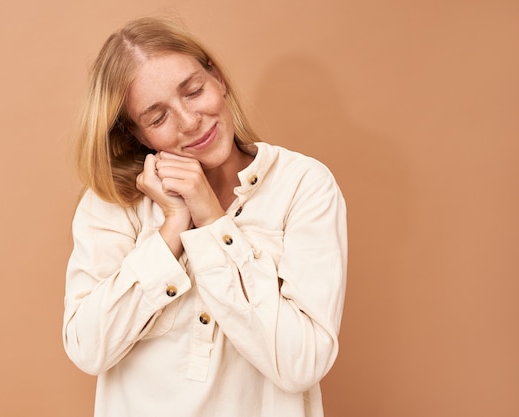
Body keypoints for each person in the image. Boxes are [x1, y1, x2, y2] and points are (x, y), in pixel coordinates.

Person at [62, 16, 347, 417]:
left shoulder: (302, 185)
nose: (189, 121)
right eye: (157, 117)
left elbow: (302, 363)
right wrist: (172, 228)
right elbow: (87, 348)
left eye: (193, 91)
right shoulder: (112, 200)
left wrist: (212, 222)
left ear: (217, 78)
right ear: (137, 135)